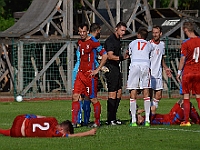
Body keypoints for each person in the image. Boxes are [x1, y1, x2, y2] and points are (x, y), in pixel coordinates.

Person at [72, 23, 107, 128]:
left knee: (92, 99)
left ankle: (97, 121)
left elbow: (104, 55)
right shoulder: (79, 42)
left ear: (87, 32)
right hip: (80, 74)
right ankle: (74, 122)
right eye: (80, 32)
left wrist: (98, 69)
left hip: (89, 76)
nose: (82, 34)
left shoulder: (93, 42)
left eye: (84, 32)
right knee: (75, 96)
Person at [127, 27, 154, 127]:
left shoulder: (132, 43)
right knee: (146, 91)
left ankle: (134, 120)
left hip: (135, 65)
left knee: (133, 91)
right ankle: (147, 120)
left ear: (138, 35)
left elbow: (129, 53)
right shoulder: (149, 45)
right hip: (145, 66)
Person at [176, 21, 200, 126]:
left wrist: (179, 72)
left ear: (186, 29)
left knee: (186, 96)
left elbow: (182, 59)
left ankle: (186, 121)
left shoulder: (186, 43)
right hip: (198, 72)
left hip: (188, 72)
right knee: (199, 96)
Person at [104, 21, 127, 125]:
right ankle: (110, 119)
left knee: (119, 92)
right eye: (122, 30)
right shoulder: (111, 40)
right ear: (116, 29)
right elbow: (109, 56)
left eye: (124, 31)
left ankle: (114, 117)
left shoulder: (118, 40)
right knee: (112, 93)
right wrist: (122, 57)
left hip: (116, 67)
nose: (123, 32)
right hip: (111, 67)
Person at [0, 114, 97, 137]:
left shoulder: (52, 119)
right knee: (10, 132)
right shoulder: (55, 133)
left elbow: (39, 117)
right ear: (62, 129)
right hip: (19, 132)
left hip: (21, 118)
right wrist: (89, 132)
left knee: (6, 131)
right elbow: (71, 136)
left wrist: (28, 116)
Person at [149, 25, 172, 108]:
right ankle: (149, 115)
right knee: (149, 96)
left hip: (158, 73)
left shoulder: (162, 44)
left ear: (160, 34)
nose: (155, 34)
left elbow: (161, 58)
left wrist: (166, 68)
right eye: (153, 33)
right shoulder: (149, 44)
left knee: (158, 96)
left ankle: (149, 111)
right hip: (149, 73)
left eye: (156, 33)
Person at [135, 99, 200, 125]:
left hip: (169, 116)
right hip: (171, 121)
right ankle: (197, 121)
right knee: (185, 104)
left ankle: (194, 120)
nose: (139, 115)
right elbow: (153, 108)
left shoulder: (145, 118)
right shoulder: (147, 121)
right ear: (139, 121)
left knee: (181, 101)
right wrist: (142, 110)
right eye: (137, 116)